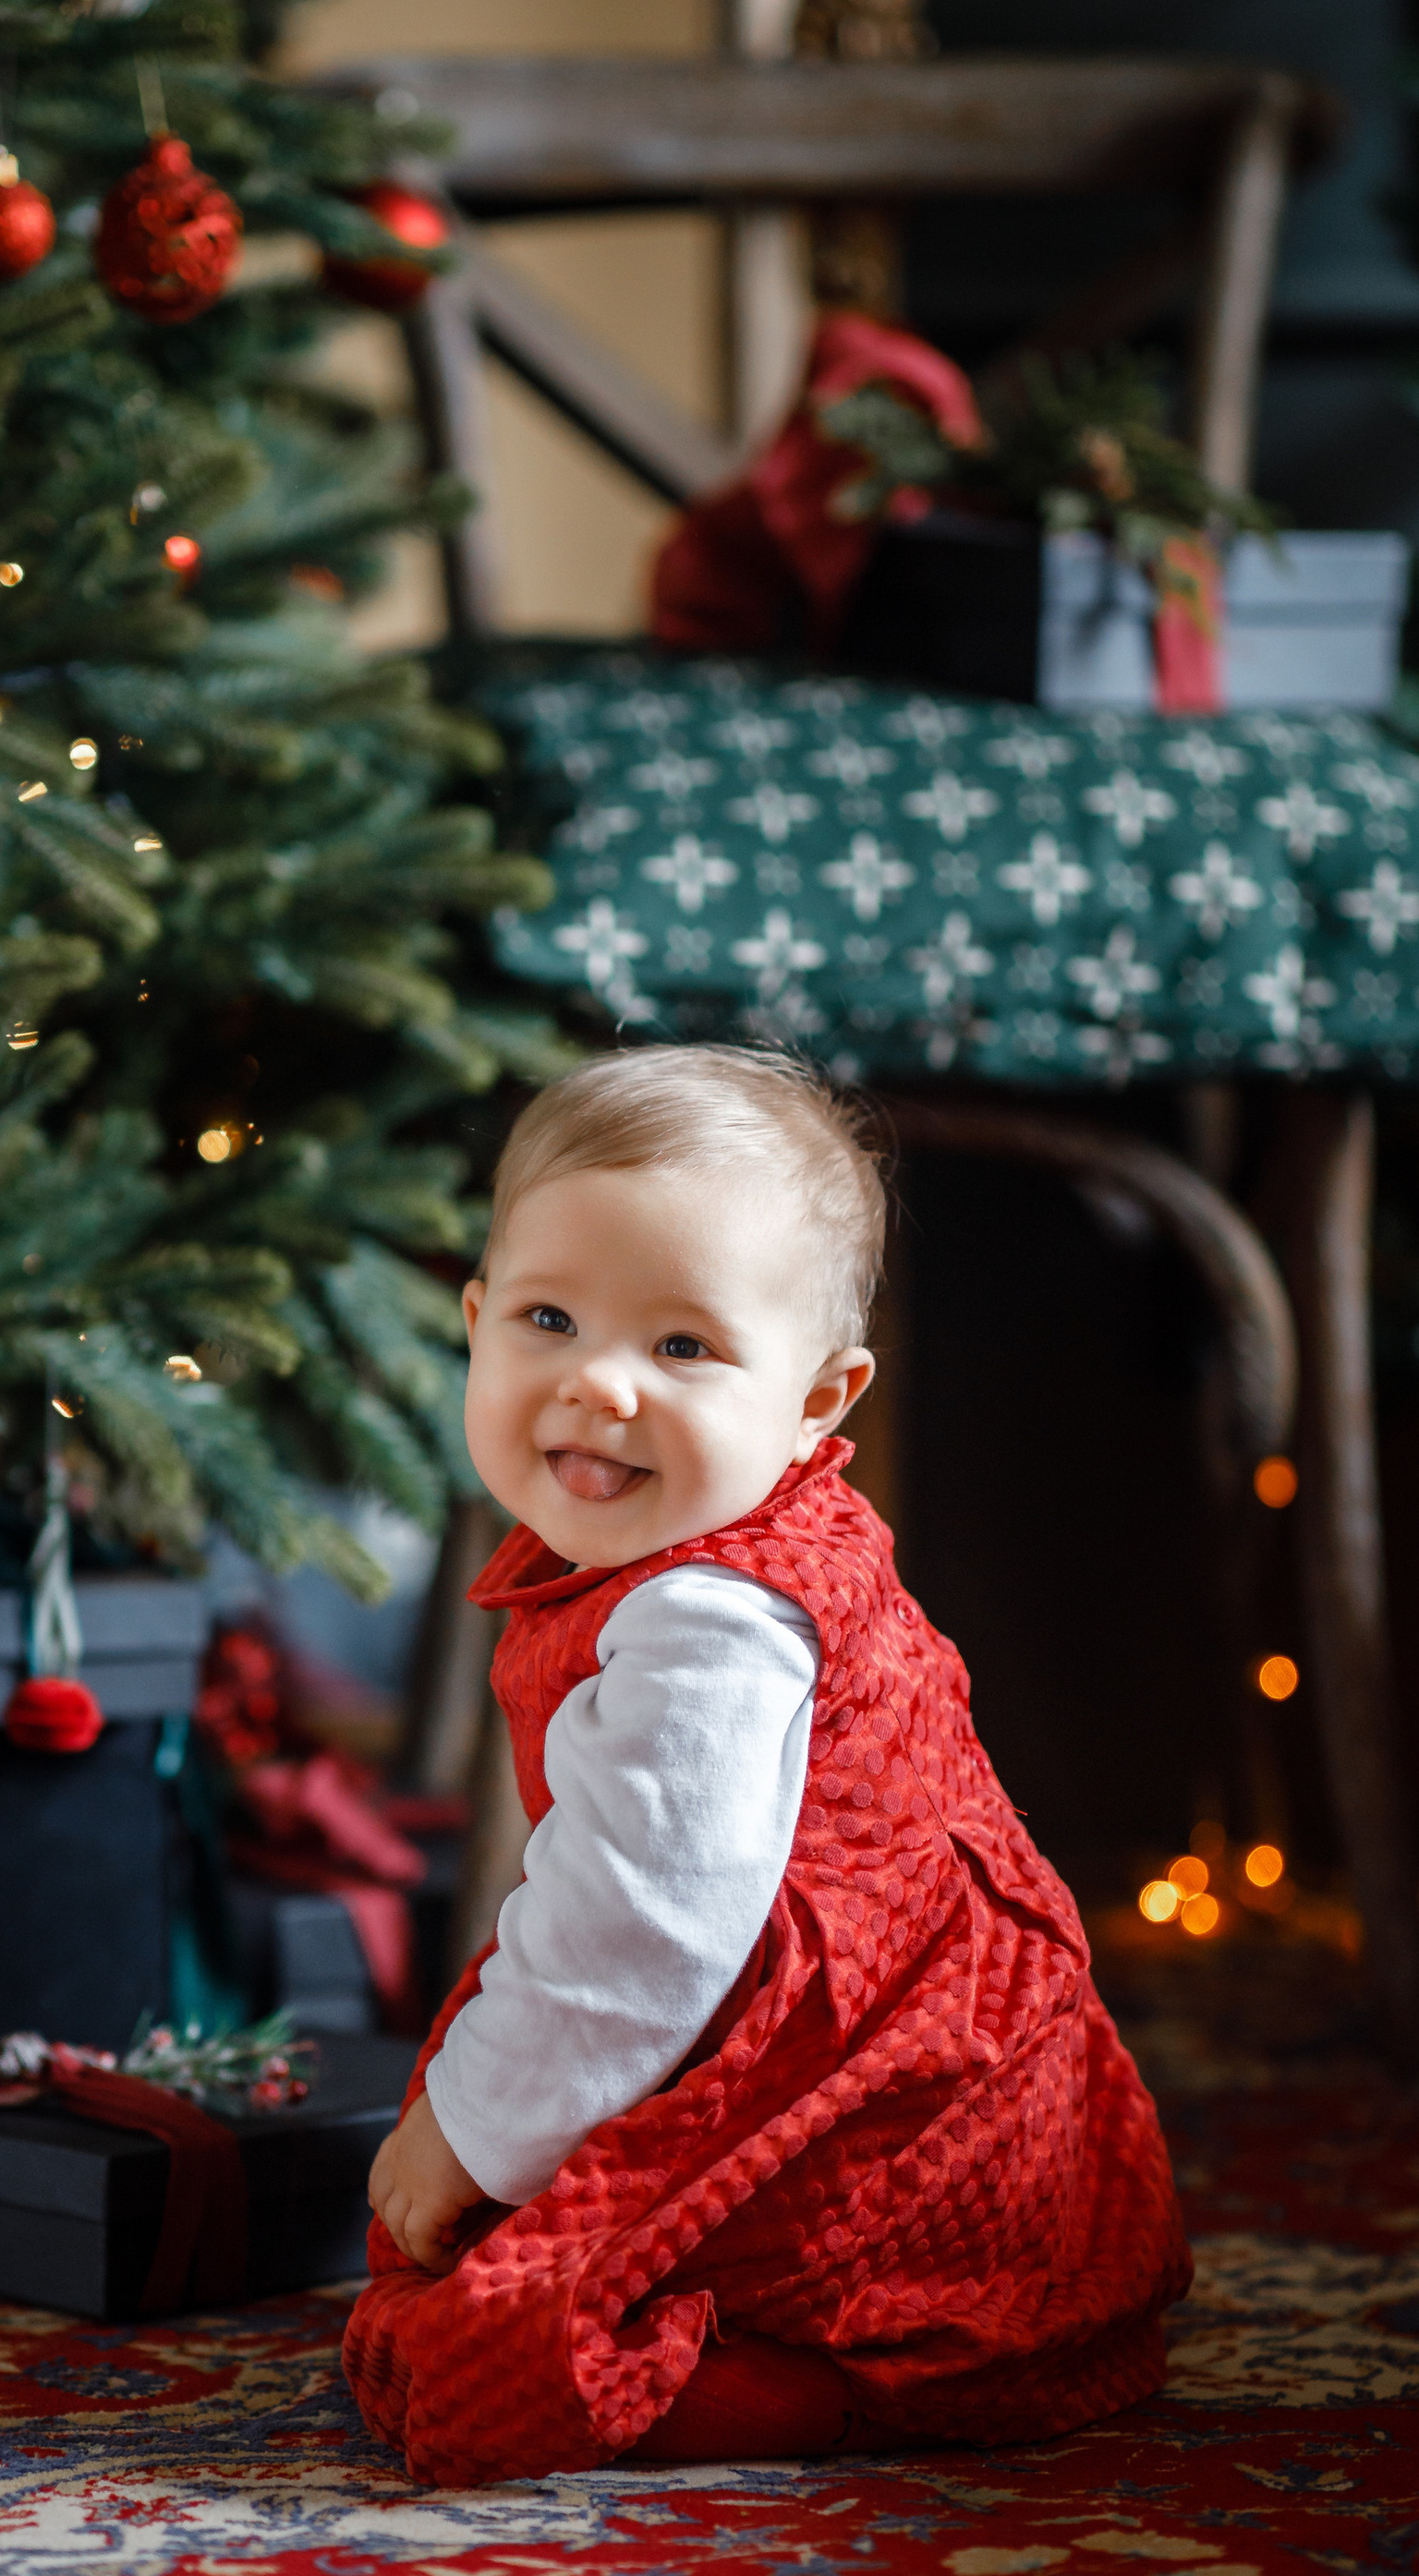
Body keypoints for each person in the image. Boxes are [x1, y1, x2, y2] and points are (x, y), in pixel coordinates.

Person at [345, 1044, 1189, 2486]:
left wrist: (469, 2132)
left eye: (684, 1347)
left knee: (467, 2363)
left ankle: (803, 2386)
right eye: (549, 1318)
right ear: (476, 1322)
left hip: (882, 2109)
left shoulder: (711, 1623)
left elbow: (638, 1940)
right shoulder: (687, 1548)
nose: (598, 1385)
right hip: (819, 2027)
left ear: (818, 1400)